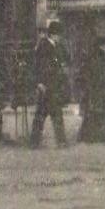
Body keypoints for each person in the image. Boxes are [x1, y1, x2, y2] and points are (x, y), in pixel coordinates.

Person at [29, 19, 68, 148]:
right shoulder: (44, 46)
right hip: (46, 86)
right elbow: (38, 66)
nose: (60, 37)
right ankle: (35, 142)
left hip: (54, 86)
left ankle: (57, 141)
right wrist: (39, 82)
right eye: (58, 34)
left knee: (54, 114)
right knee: (43, 114)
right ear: (53, 34)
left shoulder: (56, 46)